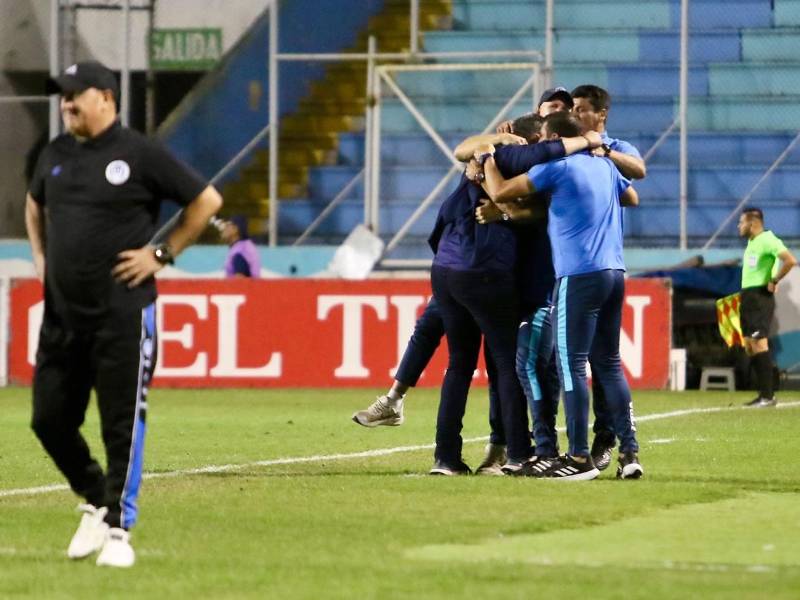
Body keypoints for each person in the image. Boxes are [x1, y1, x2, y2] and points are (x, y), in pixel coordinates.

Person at [25, 61, 223, 567]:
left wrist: (160, 254)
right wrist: (43, 259)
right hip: (61, 317)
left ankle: (118, 529)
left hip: (123, 315)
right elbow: (34, 203)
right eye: (62, 95)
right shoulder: (54, 153)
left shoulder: (139, 153)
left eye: (75, 94)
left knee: (121, 424)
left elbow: (206, 200)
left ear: (107, 98)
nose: (66, 103)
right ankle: (95, 497)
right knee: (47, 419)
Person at [480, 111, 642, 480]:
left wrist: (488, 158)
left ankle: (579, 458)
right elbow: (630, 195)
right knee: (610, 364)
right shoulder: (603, 166)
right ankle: (630, 452)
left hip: (578, 274)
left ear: (555, 138)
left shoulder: (559, 168)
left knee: (572, 364)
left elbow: (502, 192)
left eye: (546, 139)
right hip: (614, 271)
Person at [737, 207, 797, 406]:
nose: (739, 226)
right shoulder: (752, 242)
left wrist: (775, 279)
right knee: (749, 344)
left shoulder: (768, 239)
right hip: (748, 296)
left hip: (759, 297)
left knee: (759, 342)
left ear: (752, 223)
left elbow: (790, 260)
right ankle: (763, 393)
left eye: (741, 222)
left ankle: (768, 396)